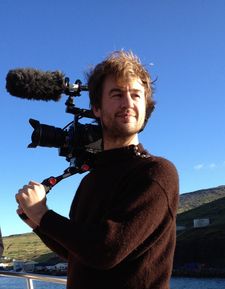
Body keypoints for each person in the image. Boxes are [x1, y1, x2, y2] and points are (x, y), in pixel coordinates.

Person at [16, 50, 179, 289]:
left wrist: (42, 214)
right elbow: (78, 252)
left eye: (136, 95)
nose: (128, 103)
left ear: (146, 107)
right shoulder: (91, 179)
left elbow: (106, 250)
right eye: (116, 94)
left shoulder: (156, 173)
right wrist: (38, 224)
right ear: (97, 108)